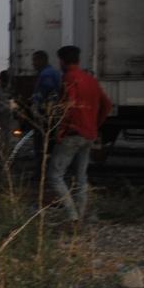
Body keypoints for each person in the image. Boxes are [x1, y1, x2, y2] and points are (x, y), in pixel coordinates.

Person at [48, 45, 112, 223]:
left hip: (72, 134)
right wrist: (95, 125)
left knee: (55, 175)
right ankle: (81, 214)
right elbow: (107, 105)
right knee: (81, 176)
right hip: (89, 134)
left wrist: (60, 131)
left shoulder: (69, 78)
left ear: (62, 61)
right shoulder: (90, 79)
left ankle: (72, 217)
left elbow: (68, 105)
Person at [29, 50, 62, 176]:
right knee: (51, 146)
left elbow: (44, 95)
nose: (33, 64)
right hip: (53, 116)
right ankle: (49, 171)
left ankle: (41, 173)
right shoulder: (54, 72)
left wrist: (36, 108)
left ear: (42, 60)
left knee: (41, 146)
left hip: (45, 117)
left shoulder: (46, 75)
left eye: (35, 60)